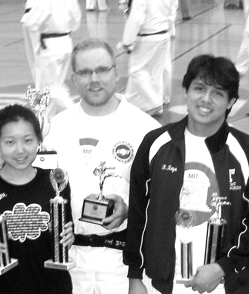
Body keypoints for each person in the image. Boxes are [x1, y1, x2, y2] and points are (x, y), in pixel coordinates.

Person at [125, 55, 249, 294]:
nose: (206, 99)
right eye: (199, 88)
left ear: (231, 102)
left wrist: (223, 267)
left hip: (222, 285)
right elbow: (138, 214)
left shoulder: (248, 152)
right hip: (161, 285)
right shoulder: (156, 144)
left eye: (217, 93)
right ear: (186, 91)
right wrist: (135, 276)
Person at [45, 38, 160, 294]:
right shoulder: (54, 129)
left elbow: (162, 199)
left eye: (102, 70)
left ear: (117, 73)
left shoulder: (146, 130)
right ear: (73, 78)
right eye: (84, 72)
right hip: (67, 260)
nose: (94, 79)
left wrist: (129, 209)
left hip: (121, 263)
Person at [0, 104, 75, 294]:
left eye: (28, 140)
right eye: (10, 142)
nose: (20, 150)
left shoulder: (55, 182)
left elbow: (64, 236)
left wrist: (68, 238)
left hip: (52, 287)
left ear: (39, 140)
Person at [22, 0, 82, 114]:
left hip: (49, 48)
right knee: (55, 86)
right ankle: (46, 121)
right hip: (66, 44)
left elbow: (29, 22)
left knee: (52, 89)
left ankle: (75, 115)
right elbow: (76, 23)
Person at [119, 0, 176, 116]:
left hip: (148, 37)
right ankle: (138, 101)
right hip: (163, 34)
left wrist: (127, 41)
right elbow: (172, 10)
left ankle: (154, 103)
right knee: (156, 72)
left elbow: (136, 18)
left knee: (136, 70)